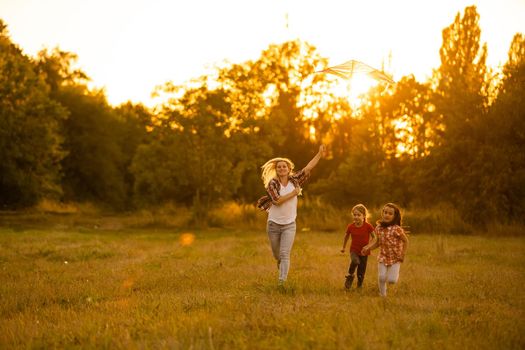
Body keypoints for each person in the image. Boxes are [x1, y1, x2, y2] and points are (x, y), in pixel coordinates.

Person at [257, 145, 325, 285]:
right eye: (279, 167)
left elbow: (308, 168)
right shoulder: (273, 183)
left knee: (284, 254)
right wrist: (294, 193)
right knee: (278, 256)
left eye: (284, 167)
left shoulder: (295, 180)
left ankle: (282, 283)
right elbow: (277, 201)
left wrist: (319, 154)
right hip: (273, 225)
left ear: (289, 169)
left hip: (289, 225)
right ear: (276, 170)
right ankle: (280, 265)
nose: (282, 169)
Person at [362, 203, 408, 297]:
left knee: (392, 280)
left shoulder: (396, 229)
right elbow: (378, 243)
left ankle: (392, 276)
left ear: (395, 216)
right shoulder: (379, 228)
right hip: (383, 256)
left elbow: (406, 241)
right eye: (385, 212)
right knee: (381, 277)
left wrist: (403, 254)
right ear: (382, 213)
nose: (387, 215)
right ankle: (382, 295)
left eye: (390, 214)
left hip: (395, 257)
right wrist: (368, 248)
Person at [340, 204, 376, 290]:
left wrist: (368, 246)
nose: (356, 217)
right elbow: (346, 237)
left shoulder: (368, 226)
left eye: (358, 215)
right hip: (354, 250)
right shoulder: (351, 226)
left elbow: (375, 238)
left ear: (364, 216)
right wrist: (343, 247)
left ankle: (359, 286)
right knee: (355, 261)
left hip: (364, 252)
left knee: (361, 271)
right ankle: (350, 276)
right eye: (354, 215)